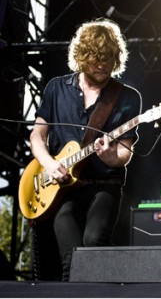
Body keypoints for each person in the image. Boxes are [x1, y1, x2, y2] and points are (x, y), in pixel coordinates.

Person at [29, 18, 142, 281]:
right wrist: (48, 163)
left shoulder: (127, 97)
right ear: (81, 56)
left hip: (103, 184)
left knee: (94, 243)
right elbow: (37, 136)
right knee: (70, 256)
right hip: (62, 188)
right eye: (95, 58)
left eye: (107, 58)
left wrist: (110, 155)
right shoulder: (57, 88)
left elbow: (124, 154)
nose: (102, 64)